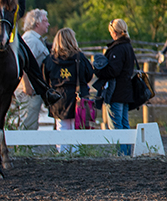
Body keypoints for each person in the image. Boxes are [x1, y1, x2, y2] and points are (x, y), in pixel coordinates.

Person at [43, 28, 93, 153]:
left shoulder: (50, 59)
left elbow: (43, 77)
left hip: (58, 97)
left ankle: (63, 152)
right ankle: (76, 152)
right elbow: (89, 74)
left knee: (62, 127)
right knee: (76, 126)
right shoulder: (79, 57)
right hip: (78, 95)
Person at [100, 19, 137, 155]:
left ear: (114, 32)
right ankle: (126, 152)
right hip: (126, 89)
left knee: (116, 125)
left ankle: (121, 153)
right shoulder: (128, 46)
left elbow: (114, 70)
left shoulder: (118, 48)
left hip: (116, 90)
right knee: (124, 123)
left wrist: (100, 70)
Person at [15, 9, 51, 130]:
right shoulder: (31, 40)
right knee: (28, 124)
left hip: (34, 89)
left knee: (31, 122)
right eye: (45, 21)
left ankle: (26, 147)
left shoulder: (36, 39)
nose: (48, 24)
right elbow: (23, 64)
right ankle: (23, 148)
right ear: (37, 24)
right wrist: (27, 86)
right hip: (29, 91)